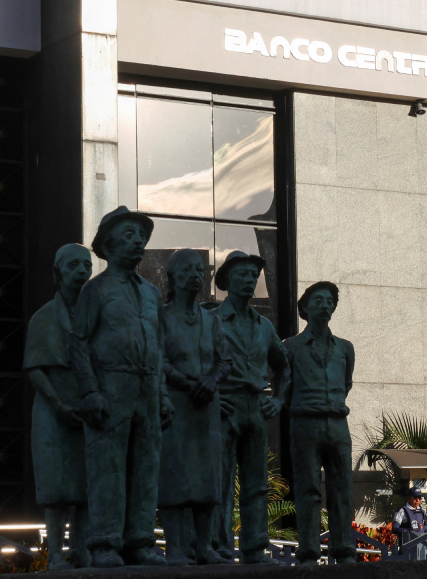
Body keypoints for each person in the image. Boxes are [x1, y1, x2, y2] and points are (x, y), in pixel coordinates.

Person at [70, 206, 174, 567]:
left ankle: (141, 542)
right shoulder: (94, 290)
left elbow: (159, 346)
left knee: (146, 466)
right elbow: (78, 343)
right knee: (108, 466)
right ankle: (105, 544)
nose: (138, 242)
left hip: (146, 384)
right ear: (109, 244)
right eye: (129, 235)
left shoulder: (150, 294)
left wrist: (161, 395)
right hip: (111, 383)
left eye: (141, 237)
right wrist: (90, 392)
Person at [212, 251, 290, 564]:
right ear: (228, 280)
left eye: (253, 276)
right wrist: (214, 397)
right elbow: (198, 365)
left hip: (256, 407)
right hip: (224, 406)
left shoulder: (264, 326)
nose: (249, 280)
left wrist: (279, 399)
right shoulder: (212, 320)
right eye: (242, 274)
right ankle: (217, 546)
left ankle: (255, 547)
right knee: (220, 480)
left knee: (257, 483)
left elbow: (283, 366)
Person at [157, 249, 232, 566]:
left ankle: (204, 545)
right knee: (174, 473)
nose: (195, 275)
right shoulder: (161, 317)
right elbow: (157, 359)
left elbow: (224, 360)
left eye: (199, 270)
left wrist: (212, 380)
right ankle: (174, 547)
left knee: (207, 476)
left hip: (207, 408)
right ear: (173, 276)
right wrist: (187, 383)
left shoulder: (212, 321)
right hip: (176, 403)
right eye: (187, 270)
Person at [24, 244, 93, 570]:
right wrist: (59, 404)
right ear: (58, 273)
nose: (81, 271)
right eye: (74, 266)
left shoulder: (96, 316)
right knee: (56, 488)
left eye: (86, 265)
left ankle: (83, 549)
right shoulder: (44, 317)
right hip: (53, 411)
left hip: (88, 411)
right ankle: (55, 555)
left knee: (86, 486)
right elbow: (35, 369)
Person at [283, 281, 355, 564]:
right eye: (318, 301)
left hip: (338, 424)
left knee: (342, 488)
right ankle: (309, 549)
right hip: (304, 423)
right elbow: (284, 388)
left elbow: (346, 384)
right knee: (308, 488)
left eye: (329, 301)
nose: (325, 305)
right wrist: (307, 407)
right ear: (305, 308)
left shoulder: (345, 349)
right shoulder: (291, 347)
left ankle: (343, 548)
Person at [392, 487, 427, 560]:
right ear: (408, 498)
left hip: (421, 550)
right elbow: (395, 529)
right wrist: (410, 530)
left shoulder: (422, 512)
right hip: (407, 550)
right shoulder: (402, 511)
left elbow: (425, 530)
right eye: (415, 497)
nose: (418, 500)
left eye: (419, 497)